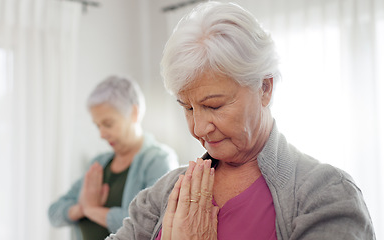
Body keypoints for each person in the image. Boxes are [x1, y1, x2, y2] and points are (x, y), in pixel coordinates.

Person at [106, 2, 375, 240]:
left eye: (214, 105)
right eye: (187, 108)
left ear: (265, 88)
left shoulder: (326, 195)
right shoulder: (165, 192)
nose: (198, 128)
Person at [48, 75, 179, 240]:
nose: (102, 134)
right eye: (98, 126)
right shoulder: (99, 164)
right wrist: (82, 208)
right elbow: (54, 213)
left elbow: (151, 226)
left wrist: (91, 210)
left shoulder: (158, 161)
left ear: (134, 113)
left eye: (108, 124)